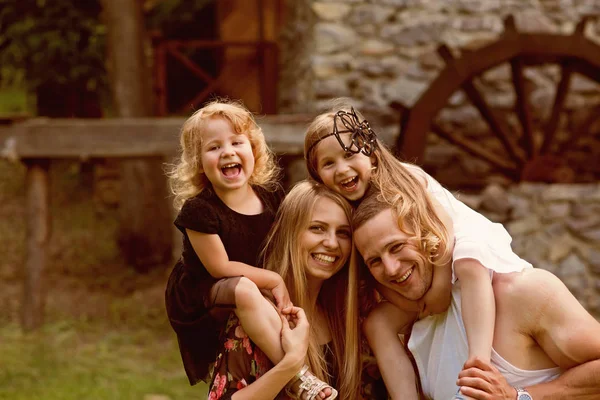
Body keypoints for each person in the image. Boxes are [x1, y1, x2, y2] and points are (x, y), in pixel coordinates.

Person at [304, 103, 532, 399]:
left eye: (349, 155)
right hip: (416, 271)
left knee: (469, 262)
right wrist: (412, 302)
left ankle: (479, 365)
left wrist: (438, 288)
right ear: (318, 175)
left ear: (371, 155)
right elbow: (375, 272)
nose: (342, 169)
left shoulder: (405, 178)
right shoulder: (344, 210)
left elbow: (443, 231)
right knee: (377, 323)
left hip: (450, 248)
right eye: (329, 163)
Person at [352, 191, 600, 400]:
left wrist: (519, 396)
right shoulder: (409, 326)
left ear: (427, 232)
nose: (391, 268)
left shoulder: (522, 293)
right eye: (375, 261)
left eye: (396, 247)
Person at [165, 99, 290, 387]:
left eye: (236, 142)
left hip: (251, 283)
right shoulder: (199, 210)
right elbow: (220, 267)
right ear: (198, 162)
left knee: (258, 294)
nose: (227, 152)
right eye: (214, 147)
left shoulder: (269, 197)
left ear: (254, 150)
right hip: (205, 292)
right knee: (246, 289)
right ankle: (295, 373)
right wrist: (273, 279)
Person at [206, 180, 362, 400]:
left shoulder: (345, 317)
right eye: (317, 228)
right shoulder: (256, 314)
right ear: (290, 232)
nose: (332, 243)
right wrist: (290, 365)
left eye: (343, 233)